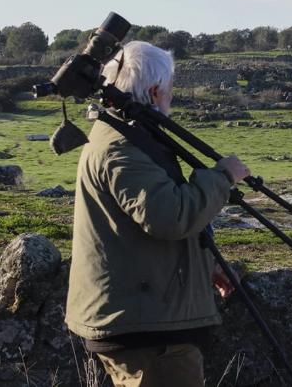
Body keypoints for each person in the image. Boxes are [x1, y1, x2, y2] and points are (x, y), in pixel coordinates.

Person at [65, 41, 250, 387]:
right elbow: (170, 216)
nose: (170, 100)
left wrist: (202, 267)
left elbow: (141, 225)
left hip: (147, 317)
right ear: (153, 92)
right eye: (169, 92)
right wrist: (222, 177)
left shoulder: (125, 137)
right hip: (148, 331)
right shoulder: (122, 147)